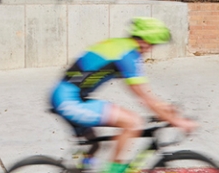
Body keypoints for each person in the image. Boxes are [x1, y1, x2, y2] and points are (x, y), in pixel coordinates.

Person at [51, 18, 197, 173]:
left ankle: (80, 169)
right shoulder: (127, 55)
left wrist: (162, 107)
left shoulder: (121, 45)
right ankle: (114, 171)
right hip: (69, 101)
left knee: (96, 145)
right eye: (152, 44)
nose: (150, 49)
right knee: (132, 122)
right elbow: (145, 98)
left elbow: (145, 94)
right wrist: (177, 121)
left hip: (66, 96)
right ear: (144, 39)